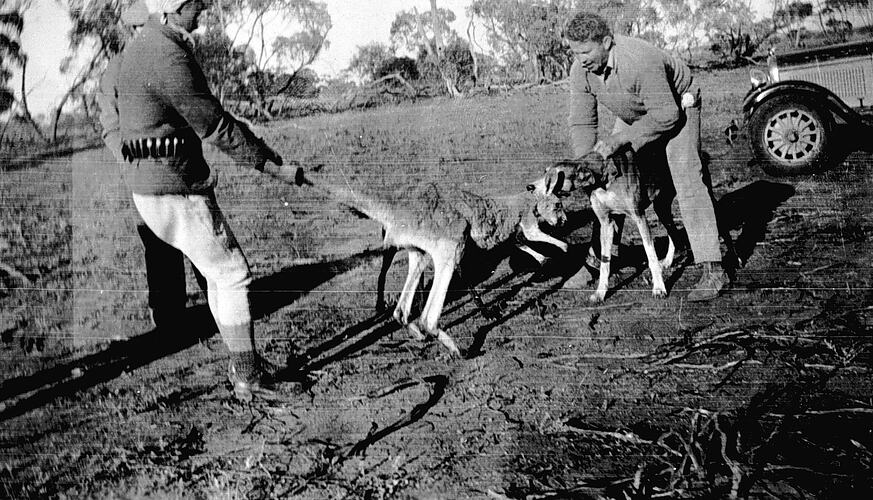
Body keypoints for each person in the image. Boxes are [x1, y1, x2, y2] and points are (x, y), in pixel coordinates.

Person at [111, 0, 296, 401]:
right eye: (196, 3)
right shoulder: (167, 53)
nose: (205, 8)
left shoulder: (142, 47)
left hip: (150, 188)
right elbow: (214, 126)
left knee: (217, 273)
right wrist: (271, 164)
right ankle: (249, 377)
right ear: (175, 6)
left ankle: (244, 365)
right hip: (175, 187)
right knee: (233, 274)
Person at [564, 11, 730, 302]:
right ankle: (598, 262)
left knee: (686, 176)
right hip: (635, 113)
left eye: (586, 51)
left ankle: (713, 267)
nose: (581, 59)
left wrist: (621, 139)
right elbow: (582, 122)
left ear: (606, 42)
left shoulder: (639, 60)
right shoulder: (581, 70)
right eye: (575, 52)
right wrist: (586, 165)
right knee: (610, 180)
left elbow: (667, 115)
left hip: (677, 106)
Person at [98, 0, 210, 333]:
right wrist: (134, 163)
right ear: (130, 30)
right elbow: (111, 128)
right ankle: (170, 322)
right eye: (137, 28)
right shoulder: (117, 70)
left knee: (204, 238)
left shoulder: (170, 55)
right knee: (159, 245)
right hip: (145, 175)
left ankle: (221, 309)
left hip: (185, 169)